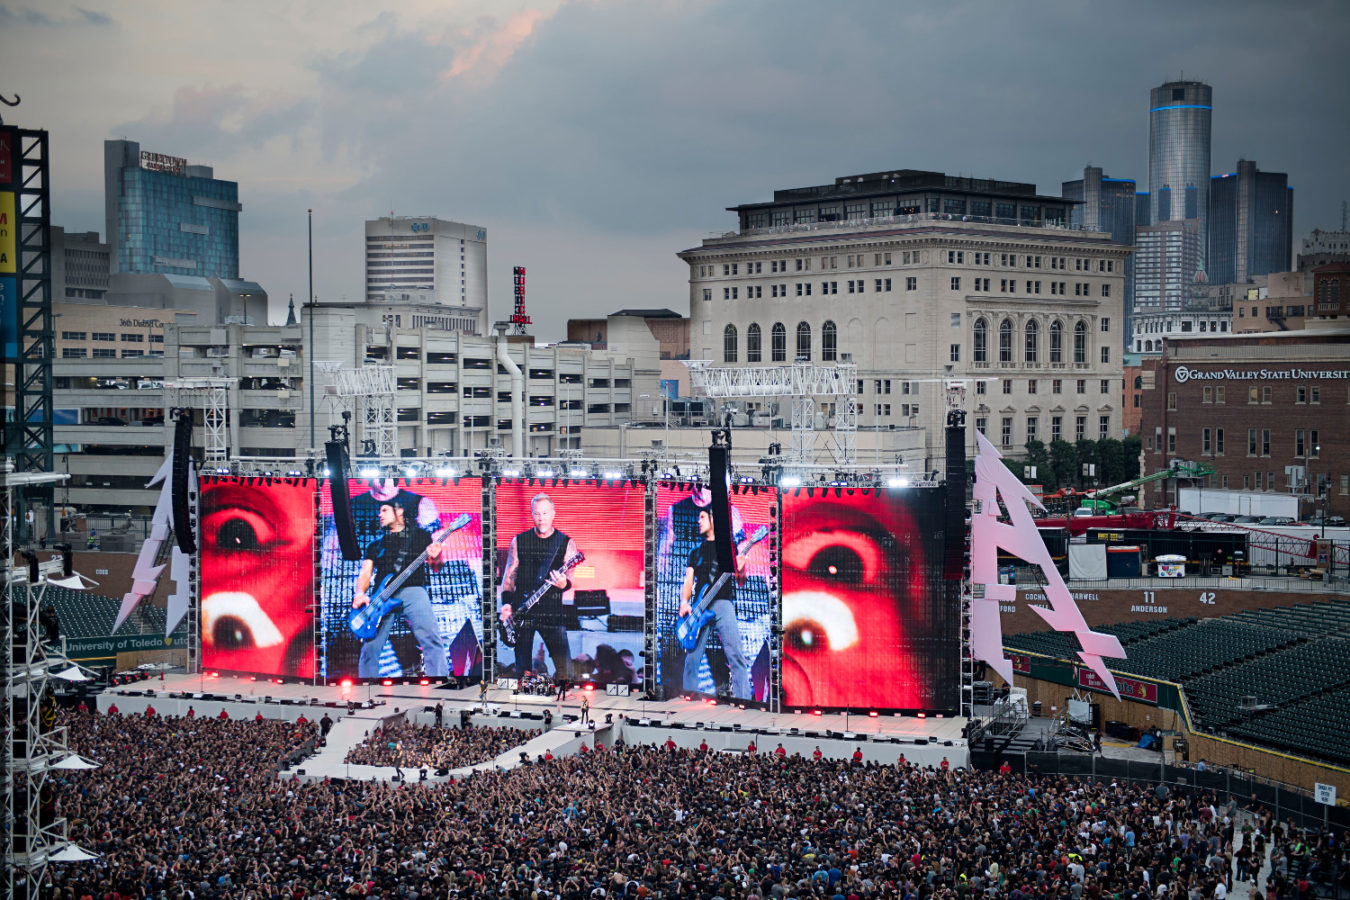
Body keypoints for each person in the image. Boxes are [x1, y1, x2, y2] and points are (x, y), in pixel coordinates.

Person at [352, 499, 450, 679]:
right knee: (370, 648)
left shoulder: (420, 536)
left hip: (413, 590)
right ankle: (366, 688)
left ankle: (439, 682)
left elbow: (436, 567)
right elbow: (365, 573)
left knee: (431, 639)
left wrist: (436, 557)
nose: (379, 515)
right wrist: (360, 593)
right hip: (382, 597)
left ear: (399, 511)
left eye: (384, 510)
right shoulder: (375, 545)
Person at [499, 494, 579, 680]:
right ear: (532, 514)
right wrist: (507, 603)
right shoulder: (519, 540)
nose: (541, 518)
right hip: (522, 611)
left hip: (552, 612)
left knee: (566, 671)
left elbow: (569, 578)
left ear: (553, 514)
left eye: (545, 513)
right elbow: (509, 576)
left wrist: (563, 584)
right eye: (536, 513)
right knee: (522, 672)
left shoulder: (565, 542)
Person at [679, 508, 749, 699]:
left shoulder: (728, 548)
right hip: (700, 608)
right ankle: (689, 699)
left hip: (723, 604)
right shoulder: (696, 552)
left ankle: (744, 700)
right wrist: (684, 602)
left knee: (735, 655)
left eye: (702, 517)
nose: (698, 521)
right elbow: (688, 581)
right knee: (692, 659)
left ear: (712, 519)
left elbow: (741, 581)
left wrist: (741, 569)